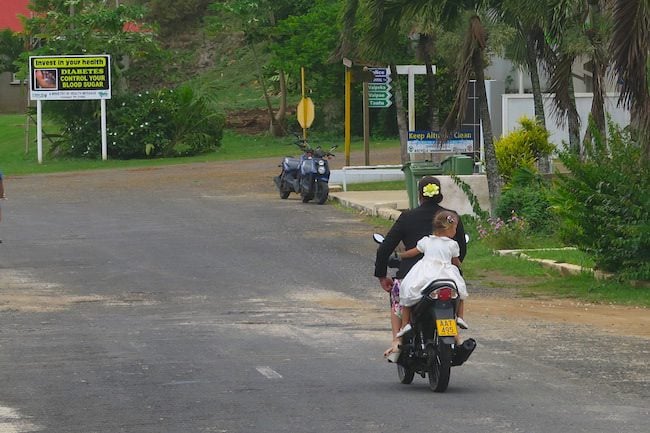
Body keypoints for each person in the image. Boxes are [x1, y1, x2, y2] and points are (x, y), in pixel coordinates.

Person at [374, 176, 467, 360]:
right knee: (459, 295)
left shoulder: (407, 217)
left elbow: (385, 248)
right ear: (439, 195)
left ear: (420, 196)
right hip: (445, 279)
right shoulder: (451, 218)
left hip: (412, 275)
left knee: (398, 298)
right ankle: (457, 331)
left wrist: (382, 275)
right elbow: (461, 249)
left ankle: (397, 342)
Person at [396, 210, 469, 337]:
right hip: (446, 274)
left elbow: (411, 253)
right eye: (455, 228)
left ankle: (405, 324)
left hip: (426, 273)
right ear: (448, 229)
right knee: (460, 291)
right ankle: (460, 317)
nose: (456, 231)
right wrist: (458, 266)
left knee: (408, 290)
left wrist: (399, 255)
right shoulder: (453, 245)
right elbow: (456, 261)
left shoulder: (426, 241)